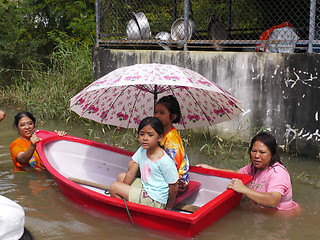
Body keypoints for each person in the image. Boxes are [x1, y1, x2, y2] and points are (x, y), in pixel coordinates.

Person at [196, 132, 299, 211]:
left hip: (281, 217)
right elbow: (236, 174)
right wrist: (209, 168)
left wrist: (243, 189)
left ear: (272, 153)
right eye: (254, 151)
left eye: (262, 152)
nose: (257, 156)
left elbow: (272, 201)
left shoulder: (277, 173)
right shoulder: (254, 167)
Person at [109, 117, 179, 210]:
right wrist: (124, 189)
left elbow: (174, 186)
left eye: (150, 135)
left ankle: (125, 212)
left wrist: (168, 207)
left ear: (160, 137)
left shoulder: (165, 161)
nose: (145, 138)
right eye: (142, 134)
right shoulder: (142, 150)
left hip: (155, 200)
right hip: (147, 188)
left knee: (114, 187)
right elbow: (131, 171)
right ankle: (129, 204)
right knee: (121, 177)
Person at [154, 95, 189, 195]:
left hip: (176, 183)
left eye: (162, 113)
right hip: (164, 177)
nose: (156, 116)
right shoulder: (160, 133)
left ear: (173, 117)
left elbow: (173, 166)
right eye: (155, 112)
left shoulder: (171, 138)